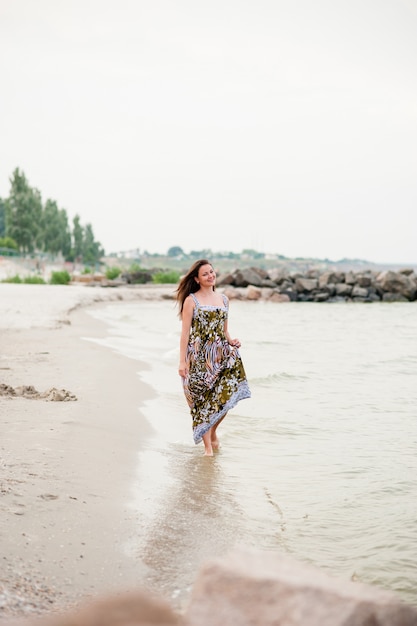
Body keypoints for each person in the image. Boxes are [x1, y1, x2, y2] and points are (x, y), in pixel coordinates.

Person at [176, 259, 251, 456]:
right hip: (198, 356)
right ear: (197, 279)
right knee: (201, 401)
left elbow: (224, 330)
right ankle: (208, 448)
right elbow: (185, 334)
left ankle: (214, 431)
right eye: (205, 274)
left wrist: (231, 340)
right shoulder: (191, 300)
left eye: (211, 272)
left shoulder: (224, 299)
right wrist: (182, 361)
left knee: (224, 397)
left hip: (221, 354)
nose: (210, 276)